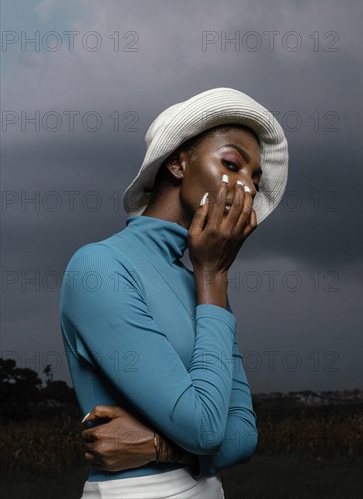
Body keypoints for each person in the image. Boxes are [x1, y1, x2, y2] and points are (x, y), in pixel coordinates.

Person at [60, 87, 289, 498]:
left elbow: (243, 437)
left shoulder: (203, 281)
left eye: (255, 180)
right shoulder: (99, 267)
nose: (248, 189)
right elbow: (205, 430)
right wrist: (213, 277)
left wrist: (159, 446)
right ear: (177, 163)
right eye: (232, 164)